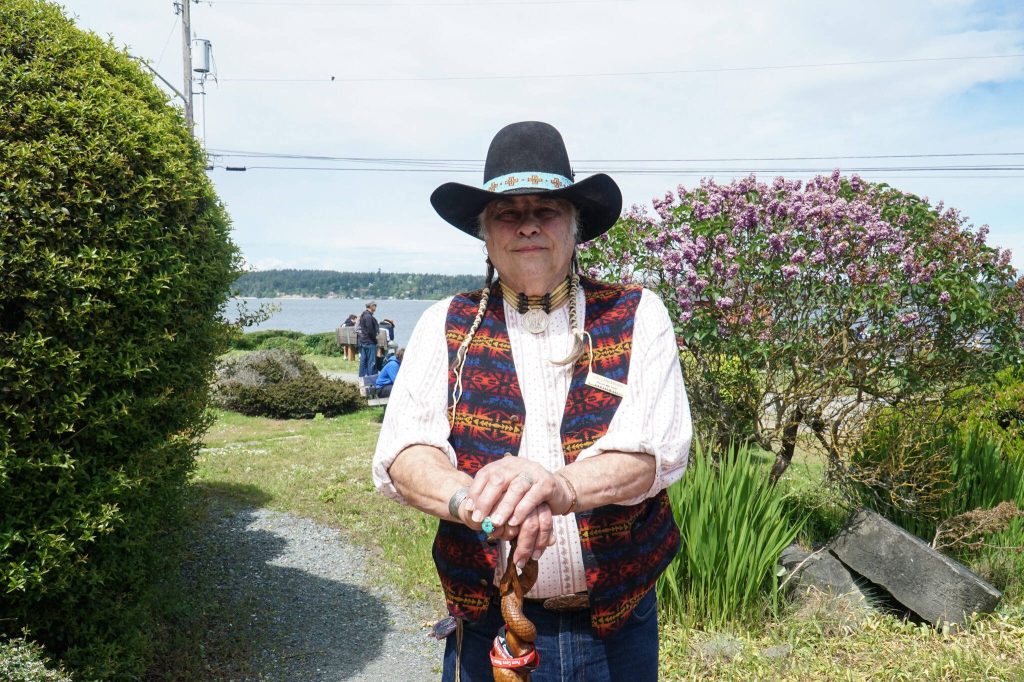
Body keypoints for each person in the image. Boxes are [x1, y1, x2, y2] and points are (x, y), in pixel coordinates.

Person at [372, 121, 691, 682]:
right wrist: (475, 501)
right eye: (507, 213)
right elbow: (404, 456)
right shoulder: (444, 324)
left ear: (576, 227)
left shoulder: (638, 314)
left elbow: (655, 455)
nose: (527, 226)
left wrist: (558, 487)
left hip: (616, 628)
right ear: (485, 235)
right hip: (488, 628)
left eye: (545, 209)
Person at [356, 301, 379, 377]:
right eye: (375, 305)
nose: (376, 307)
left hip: (363, 341)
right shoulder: (368, 316)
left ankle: (362, 377)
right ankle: (370, 378)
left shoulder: (363, 315)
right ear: (371, 306)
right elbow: (370, 330)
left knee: (363, 361)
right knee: (371, 362)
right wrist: (375, 340)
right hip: (369, 342)